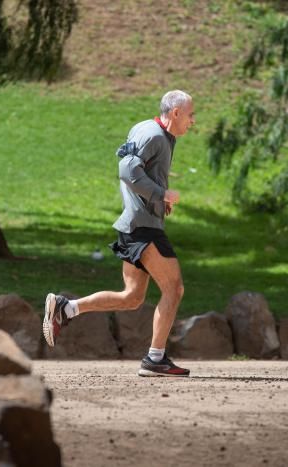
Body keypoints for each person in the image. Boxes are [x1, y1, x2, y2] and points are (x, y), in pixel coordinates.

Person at [43, 90, 195, 377]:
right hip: (143, 227)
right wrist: (161, 194)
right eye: (191, 114)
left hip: (137, 224)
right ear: (175, 113)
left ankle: (66, 309)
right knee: (174, 289)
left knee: (132, 297)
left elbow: (137, 171)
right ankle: (155, 358)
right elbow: (127, 170)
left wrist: (156, 199)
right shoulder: (154, 134)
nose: (193, 121)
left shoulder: (148, 130)